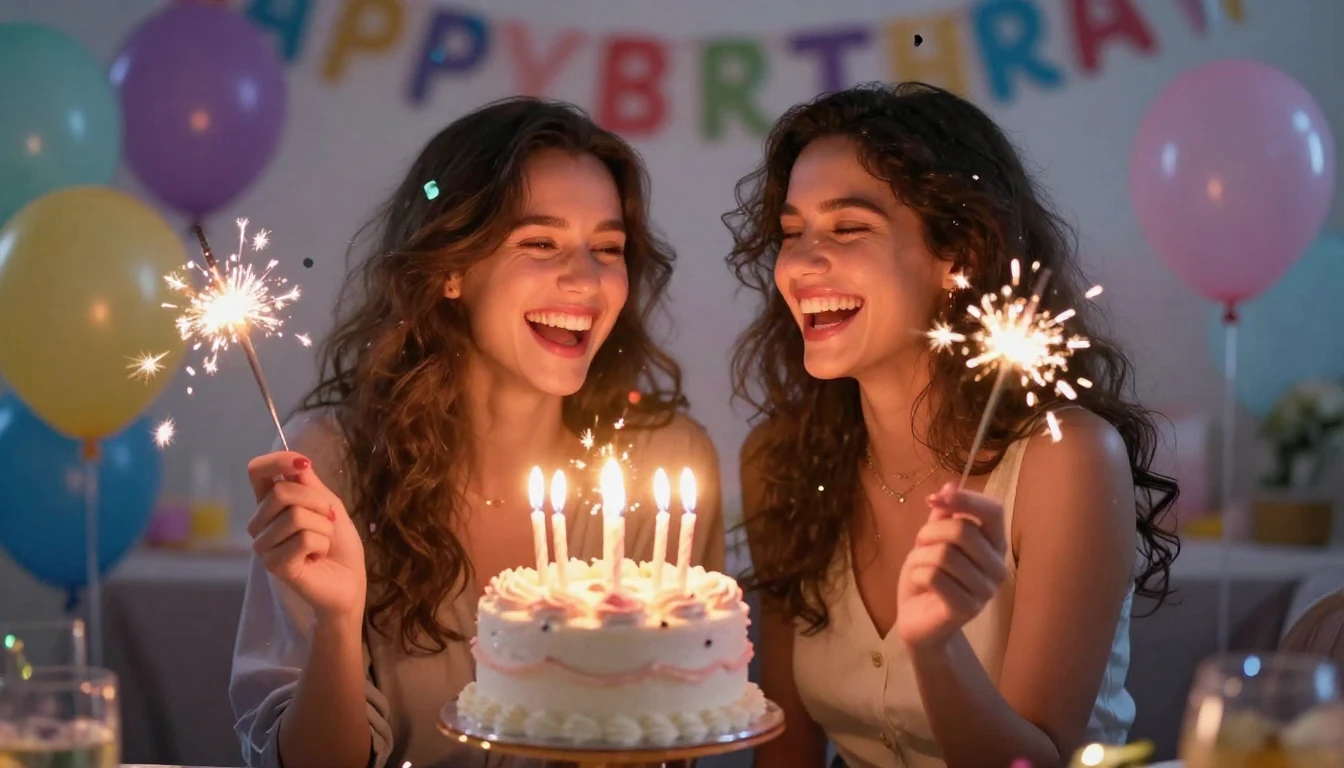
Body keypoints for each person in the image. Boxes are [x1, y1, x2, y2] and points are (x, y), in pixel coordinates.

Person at [229, 98, 724, 768]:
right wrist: (339, 624)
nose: (584, 279)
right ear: (451, 269)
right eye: (540, 243)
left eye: (607, 248)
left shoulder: (665, 463)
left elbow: (673, 737)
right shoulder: (329, 465)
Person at [726, 83, 1179, 768]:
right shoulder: (779, 462)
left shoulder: (1067, 460)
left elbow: (1036, 760)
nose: (801, 263)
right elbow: (787, 748)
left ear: (958, 255)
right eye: (792, 233)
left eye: (848, 228)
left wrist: (935, 647)